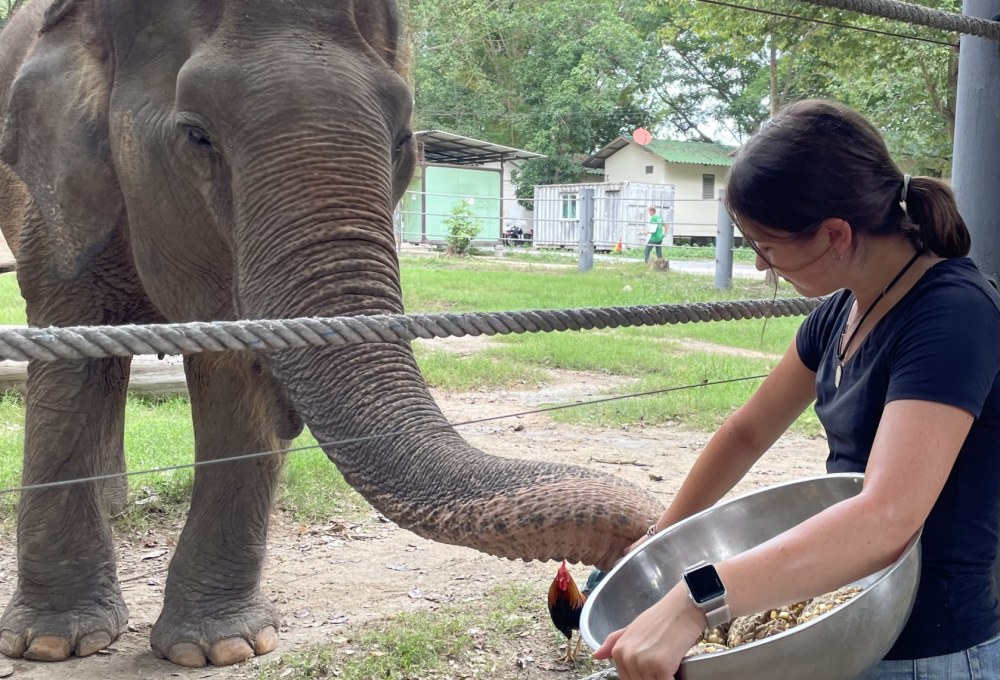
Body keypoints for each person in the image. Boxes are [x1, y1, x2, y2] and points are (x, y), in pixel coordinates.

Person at [593, 99, 1000, 679]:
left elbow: (888, 516)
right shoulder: (842, 313)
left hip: (928, 648)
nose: (763, 266)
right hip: (847, 626)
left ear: (835, 233)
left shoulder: (953, 314)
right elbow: (746, 431)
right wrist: (657, 547)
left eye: (767, 246)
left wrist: (695, 601)